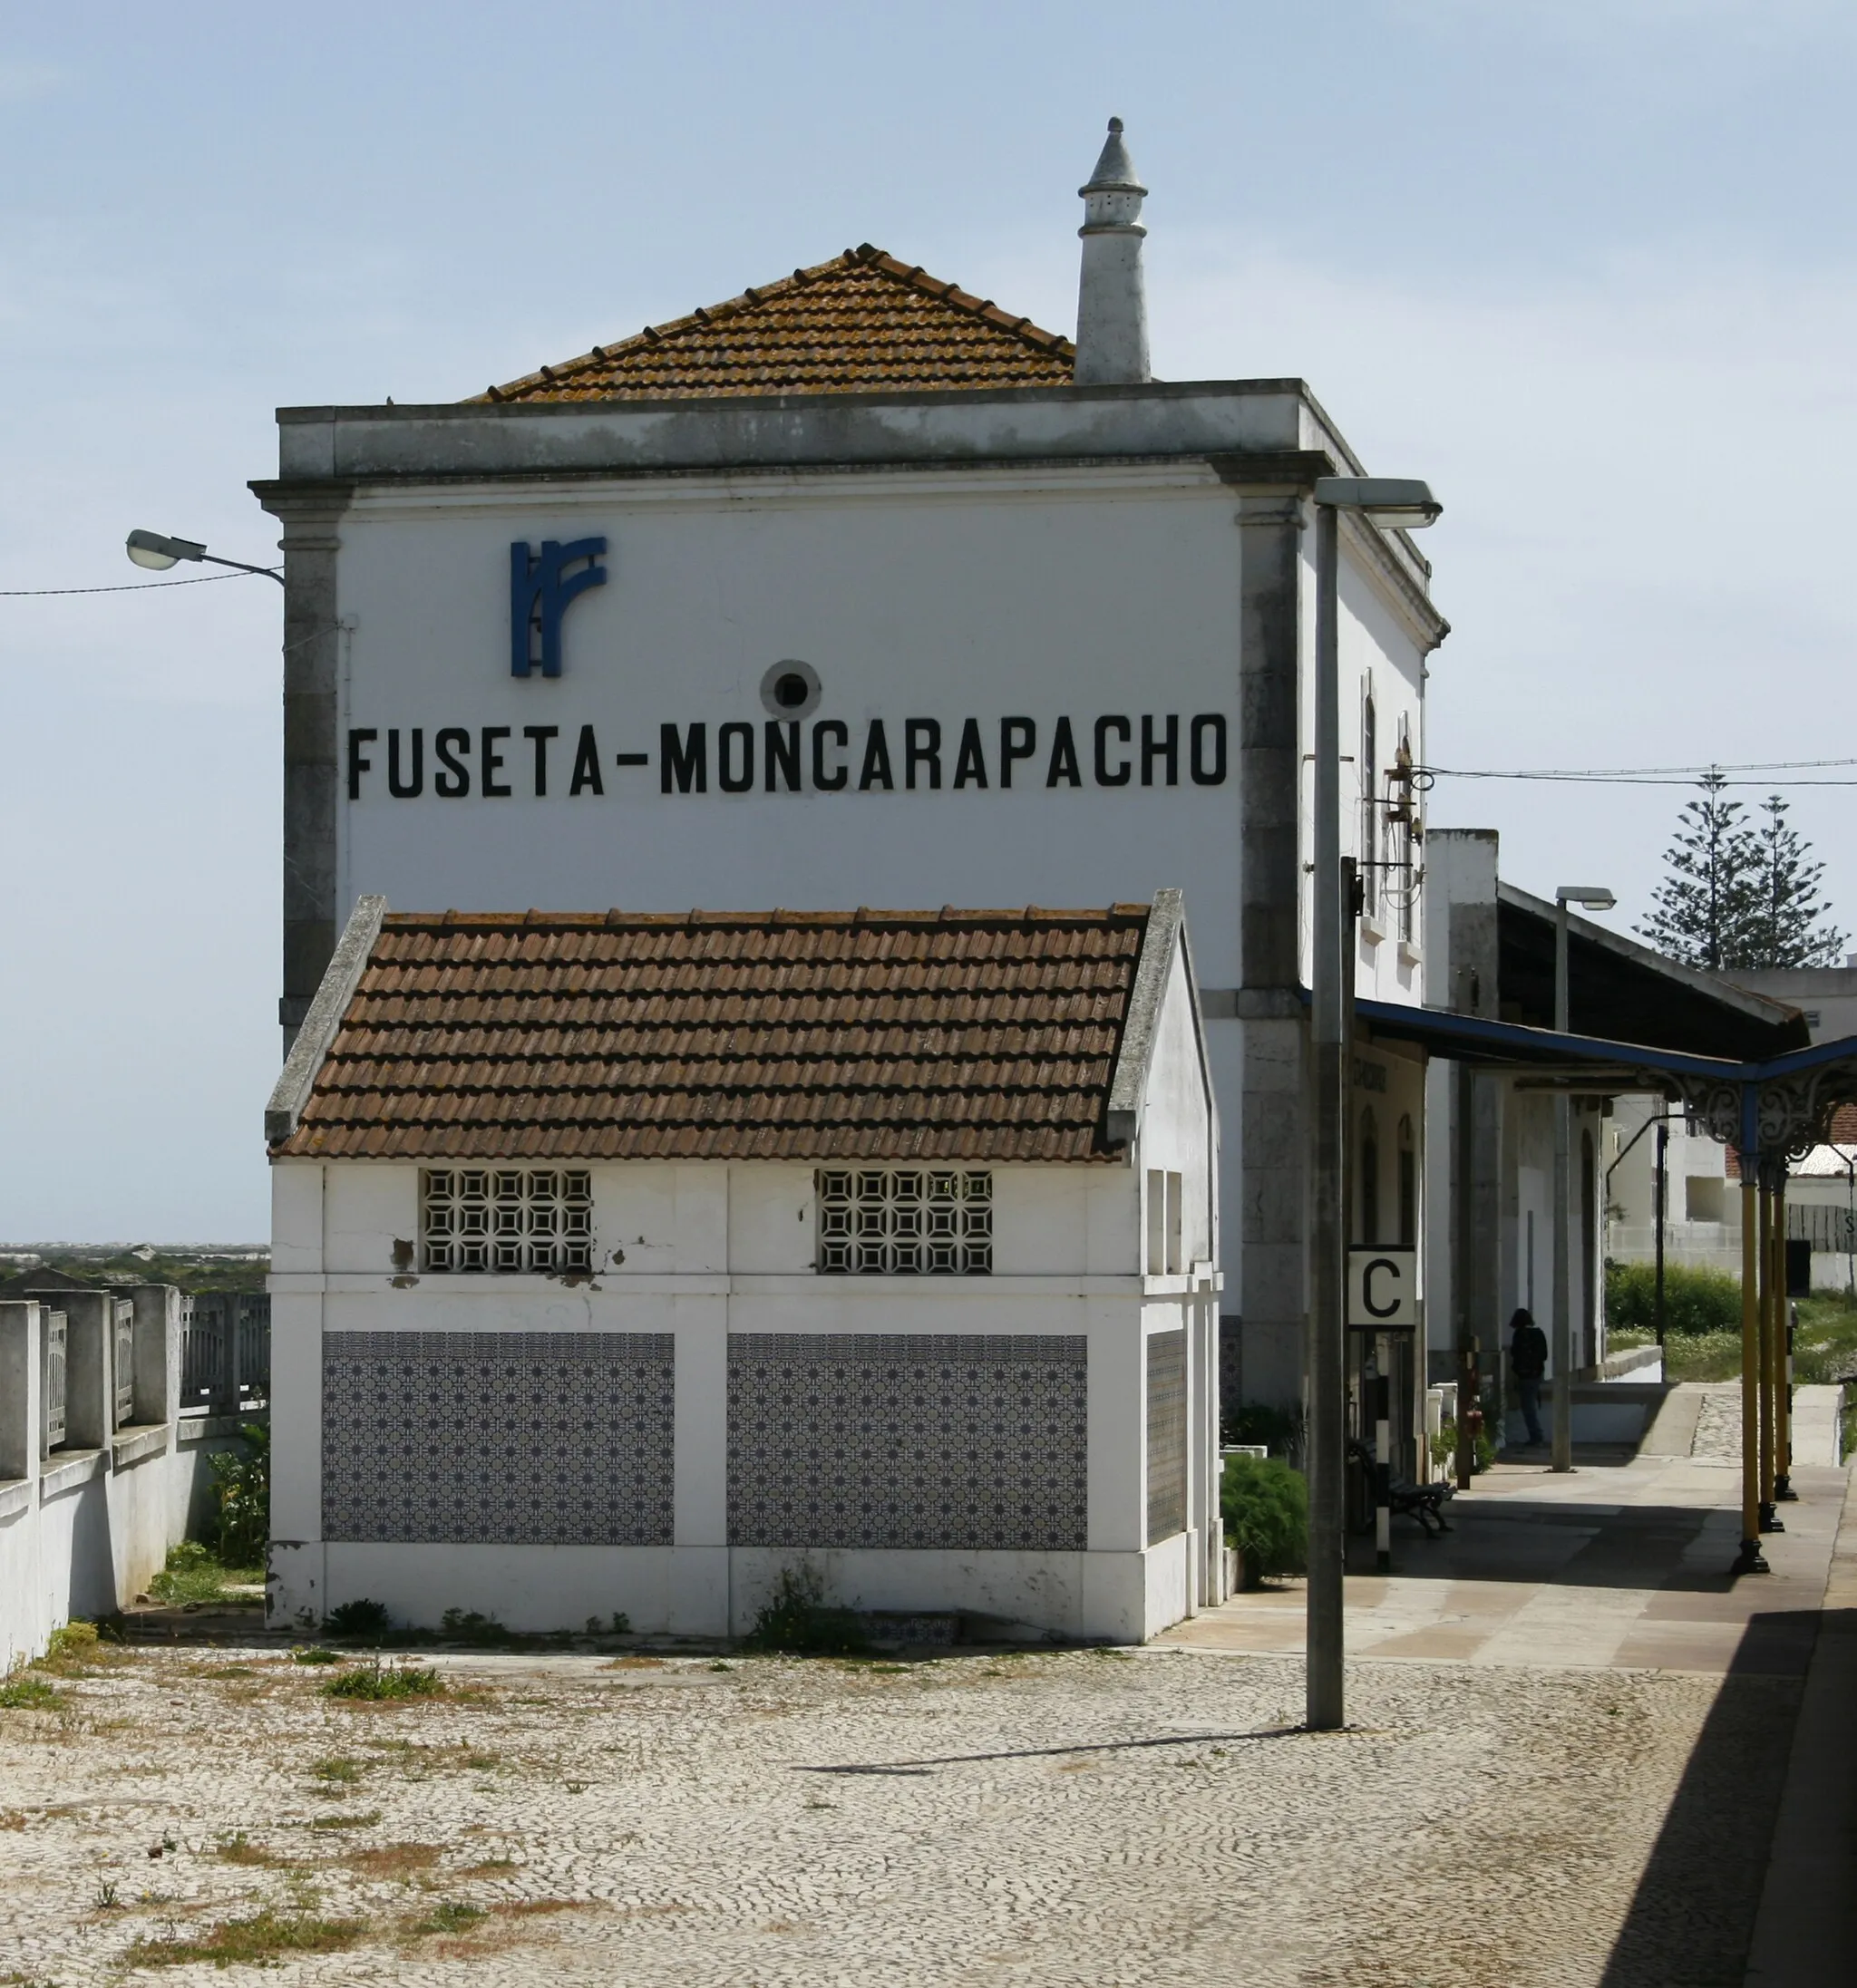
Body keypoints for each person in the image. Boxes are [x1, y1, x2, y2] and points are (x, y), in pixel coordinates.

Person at [1510, 1306, 1549, 1448]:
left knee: (1528, 1407)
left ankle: (1536, 1436)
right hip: (1536, 1374)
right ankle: (1536, 1435)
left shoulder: (1519, 1335)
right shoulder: (1538, 1334)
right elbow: (1544, 1355)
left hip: (1524, 1375)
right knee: (1531, 1405)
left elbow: (1514, 1355)